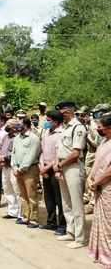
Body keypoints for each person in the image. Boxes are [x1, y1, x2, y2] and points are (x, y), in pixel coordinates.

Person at [54, 101, 88, 249]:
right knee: (66, 202)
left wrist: (61, 164)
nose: (63, 114)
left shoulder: (78, 127)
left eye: (65, 112)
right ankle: (71, 231)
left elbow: (75, 152)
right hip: (62, 166)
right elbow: (60, 148)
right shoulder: (63, 128)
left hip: (73, 167)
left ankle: (80, 238)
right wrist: (57, 164)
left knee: (76, 203)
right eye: (61, 112)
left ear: (71, 111)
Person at [88, 114, 111, 267]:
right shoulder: (104, 141)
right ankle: (101, 253)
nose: (98, 129)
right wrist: (91, 177)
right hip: (99, 186)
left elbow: (110, 170)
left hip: (108, 187)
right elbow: (97, 162)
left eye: (101, 127)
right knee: (101, 220)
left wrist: (96, 181)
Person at [39, 111, 66, 235]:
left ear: (55, 122)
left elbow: (58, 155)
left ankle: (62, 224)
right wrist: (41, 166)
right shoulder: (45, 133)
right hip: (44, 168)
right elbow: (42, 151)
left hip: (55, 168)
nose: (46, 122)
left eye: (48, 120)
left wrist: (47, 167)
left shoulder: (61, 134)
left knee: (59, 198)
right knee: (48, 197)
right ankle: (51, 222)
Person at [11, 118, 41, 228]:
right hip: (17, 169)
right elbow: (13, 153)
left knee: (31, 194)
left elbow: (31, 155)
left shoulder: (34, 138)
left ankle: (34, 219)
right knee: (22, 195)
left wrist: (22, 168)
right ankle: (25, 216)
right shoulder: (17, 138)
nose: (17, 126)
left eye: (20, 124)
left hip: (29, 169)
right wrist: (14, 166)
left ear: (26, 125)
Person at [0, 119, 21, 220]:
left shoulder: (18, 138)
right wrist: (0, 157)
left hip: (14, 166)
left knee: (17, 189)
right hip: (5, 166)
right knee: (7, 188)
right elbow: (1, 148)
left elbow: (17, 153)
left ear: (14, 127)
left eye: (9, 124)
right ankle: (12, 211)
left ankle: (21, 213)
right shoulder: (5, 137)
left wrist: (5, 157)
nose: (6, 126)